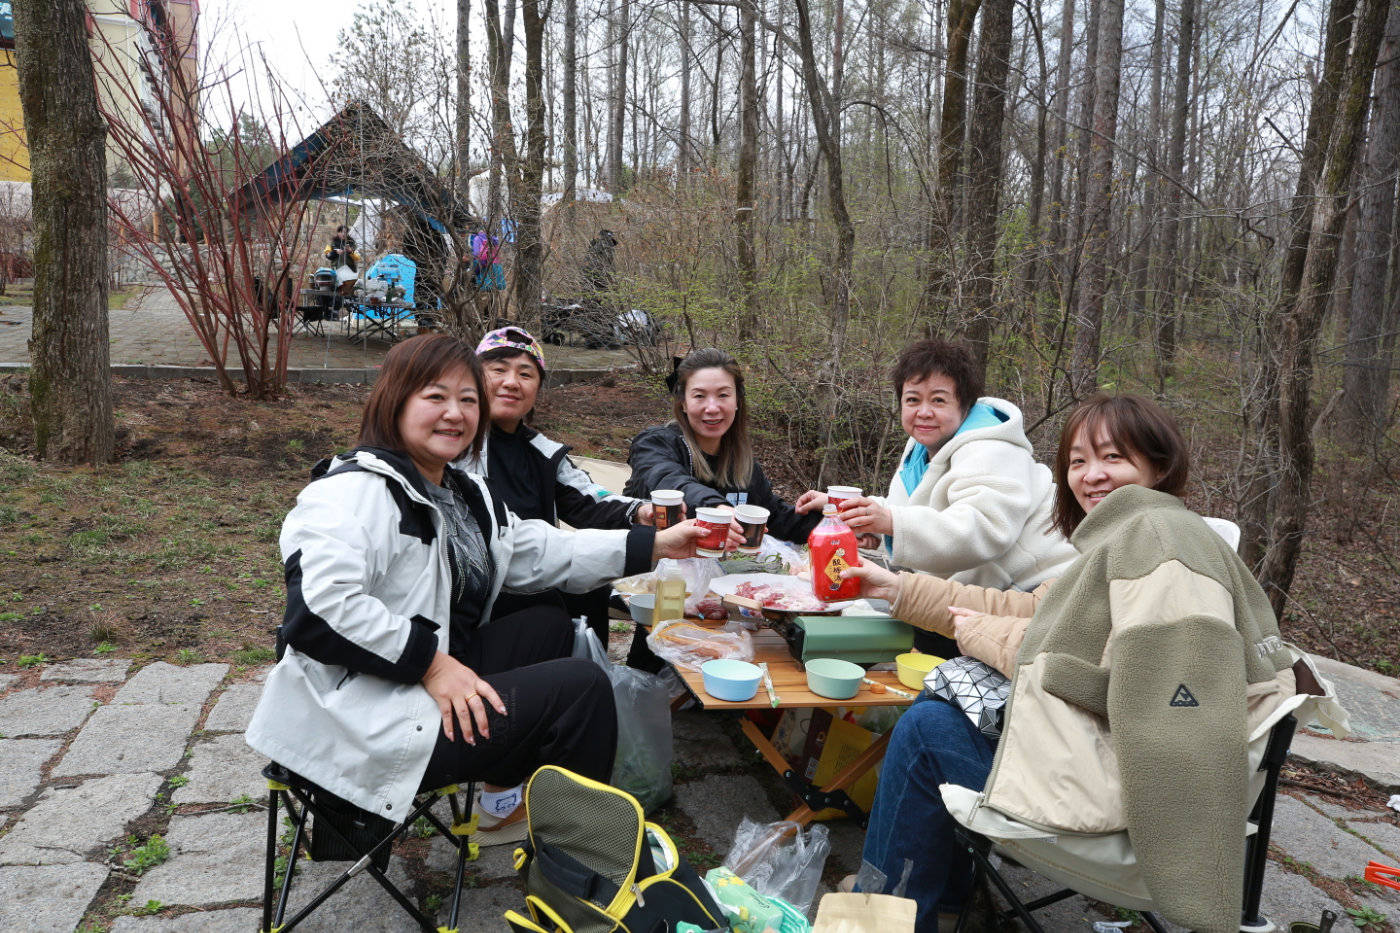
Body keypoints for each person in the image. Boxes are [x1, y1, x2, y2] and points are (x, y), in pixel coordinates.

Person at [838, 394, 1300, 933]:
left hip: (1114, 798)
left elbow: (1167, 700)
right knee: (947, 703)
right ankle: (936, 894)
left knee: (927, 730)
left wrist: (1193, 875)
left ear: (1159, 465)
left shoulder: (1156, 544)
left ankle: (884, 911)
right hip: (1099, 757)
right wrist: (895, 588)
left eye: (1112, 457)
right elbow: (1032, 613)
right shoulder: (1133, 534)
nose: (1091, 475)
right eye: (1078, 461)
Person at [245, 334, 722, 844]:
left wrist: (656, 544)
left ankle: (502, 806)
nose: (455, 414)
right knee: (582, 688)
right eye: (436, 396)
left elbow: (536, 550)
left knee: (549, 627)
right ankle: (581, 856)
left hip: (405, 681)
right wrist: (432, 665)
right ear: (394, 402)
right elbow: (320, 610)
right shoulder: (351, 492)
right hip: (357, 717)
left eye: (468, 400)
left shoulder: (458, 492)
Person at [796, 339, 1076, 654]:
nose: (924, 412)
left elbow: (982, 529)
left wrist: (890, 522)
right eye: (912, 400)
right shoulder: (923, 448)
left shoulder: (991, 449)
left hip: (1041, 601)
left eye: (939, 400)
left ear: (964, 405)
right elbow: (912, 511)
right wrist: (850, 511)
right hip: (982, 598)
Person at [458, 325, 654, 646]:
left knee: (591, 590)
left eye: (525, 374)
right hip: (478, 593)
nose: (512, 382)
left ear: (537, 388)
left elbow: (589, 501)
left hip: (538, 576)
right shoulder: (454, 445)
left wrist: (641, 511)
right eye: (498, 370)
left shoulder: (543, 453)